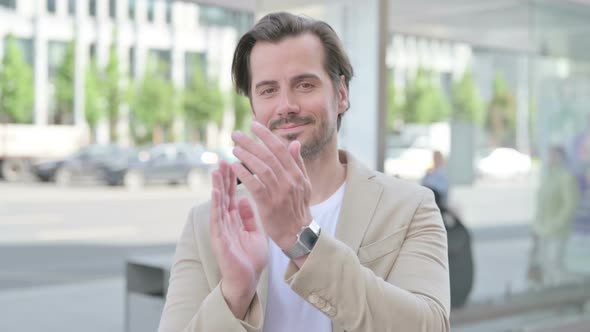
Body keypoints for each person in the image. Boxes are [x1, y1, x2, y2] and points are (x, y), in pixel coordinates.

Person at [158, 12, 450, 332]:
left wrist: (303, 240)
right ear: (254, 107)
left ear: (340, 94)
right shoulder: (206, 224)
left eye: (304, 84)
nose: (286, 105)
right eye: (268, 90)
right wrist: (235, 293)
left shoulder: (410, 208)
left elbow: (430, 326)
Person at [529, 146, 579, 286]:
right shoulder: (548, 176)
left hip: (557, 231)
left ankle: (565, 295)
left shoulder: (566, 177)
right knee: (545, 265)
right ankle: (550, 294)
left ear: (560, 157)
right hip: (542, 230)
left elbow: (570, 206)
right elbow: (541, 204)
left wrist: (555, 224)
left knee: (555, 264)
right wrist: (536, 226)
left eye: (553, 155)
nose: (550, 159)